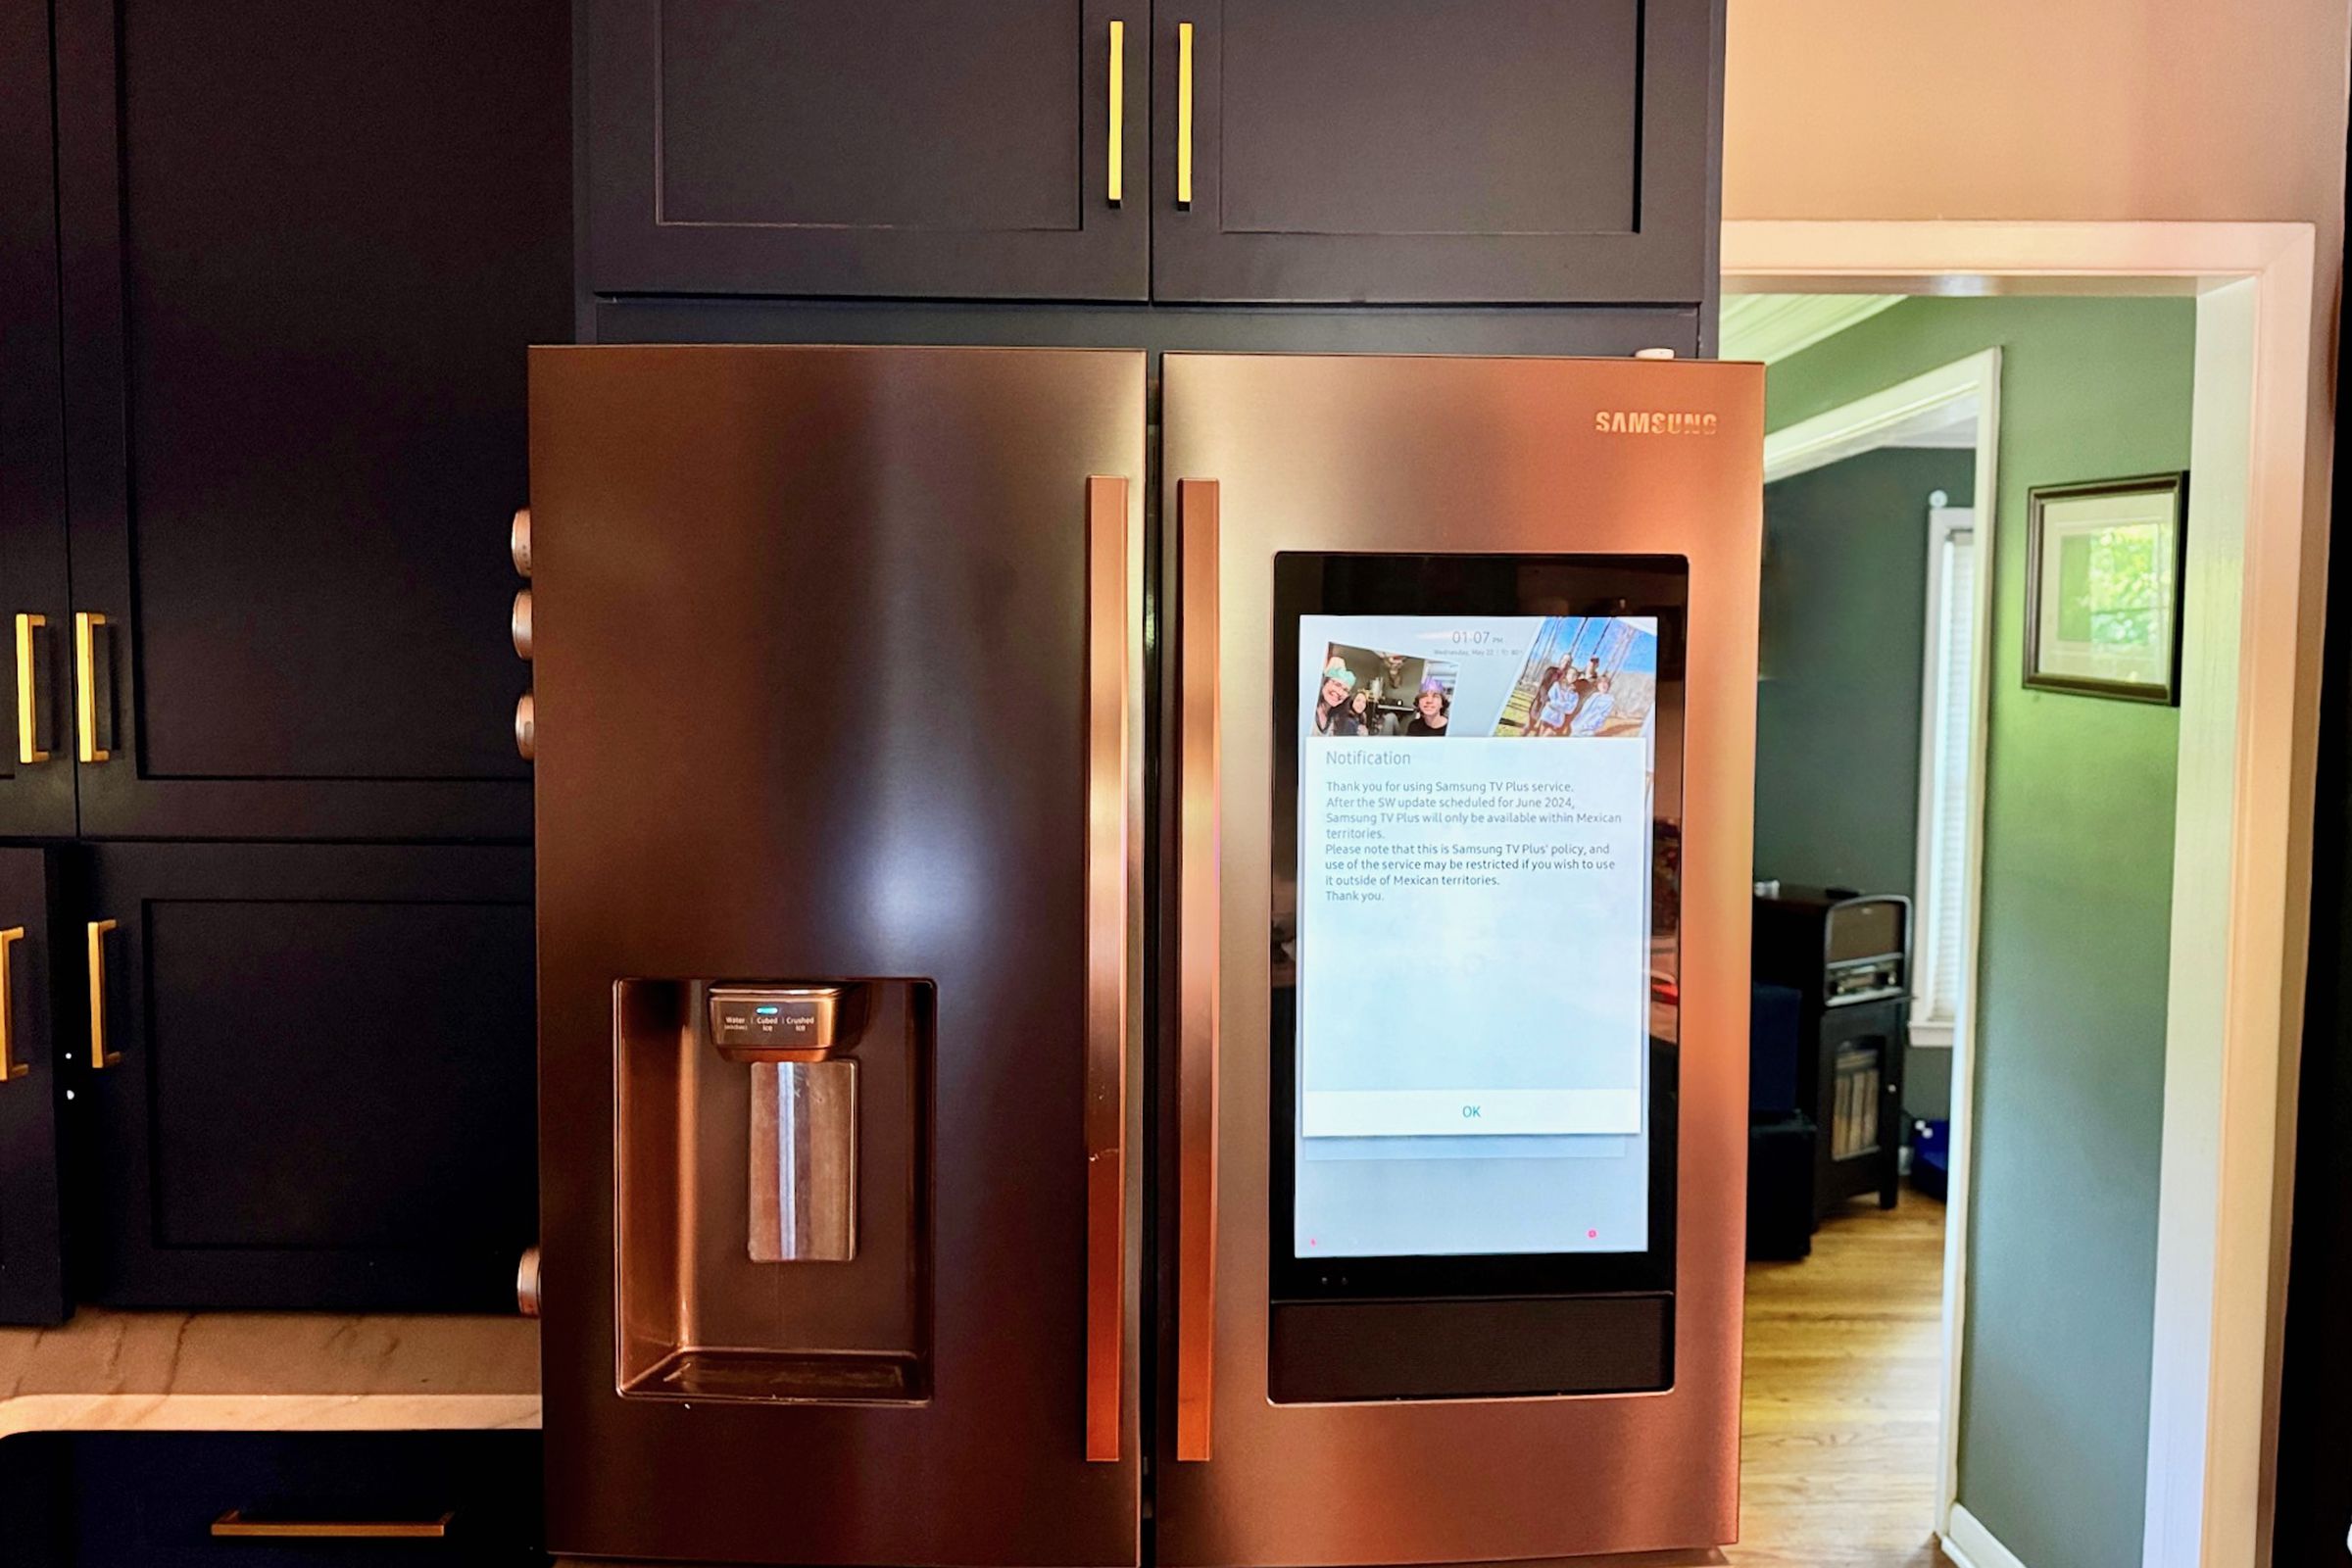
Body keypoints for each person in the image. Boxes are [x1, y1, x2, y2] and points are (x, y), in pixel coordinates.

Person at [1314, 660, 1366, 736]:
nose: (1340, 692)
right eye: (1337, 684)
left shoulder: (1335, 720)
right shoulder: (1309, 710)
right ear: (1325, 682)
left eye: (1345, 690)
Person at [1531, 663, 1578, 736]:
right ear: (1566, 675)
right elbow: (1551, 700)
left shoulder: (1574, 694)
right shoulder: (1556, 686)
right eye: (1570, 674)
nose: (1572, 676)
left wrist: (1555, 704)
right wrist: (1564, 705)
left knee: (1545, 739)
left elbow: (1570, 709)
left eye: (1574, 675)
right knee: (1539, 738)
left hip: (1557, 721)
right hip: (1547, 716)